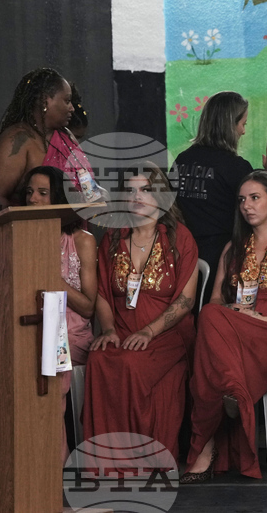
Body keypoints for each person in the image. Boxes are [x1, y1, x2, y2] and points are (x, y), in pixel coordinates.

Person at [181, 171, 267, 482]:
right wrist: (234, 312)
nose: (246, 206)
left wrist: (263, 320)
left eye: (255, 198)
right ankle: (232, 394)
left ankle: (206, 445)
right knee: (212, 317)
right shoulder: (233, 247)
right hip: (234, 331)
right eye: (242, 200)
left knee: (211, 334)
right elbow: (213, 302)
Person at [82, 162, 199, 461]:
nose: (137, 197)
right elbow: (103, 295)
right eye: (131, 191)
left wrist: (149, 331)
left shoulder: (180, 237)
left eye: (145, 190)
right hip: (121, 327)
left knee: (132, 364)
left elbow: (185, 301)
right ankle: (107, 462)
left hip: (167, 333)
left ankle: (141, 460)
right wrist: (108, 329)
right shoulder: (112, 238)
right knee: (99, 359)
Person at [173, 91, 267, 304]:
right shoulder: (235, 167)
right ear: (229, 125)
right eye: (243, 124)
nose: (243, 131)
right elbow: (265, 208)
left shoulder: (181, 160)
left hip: (181, 253)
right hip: (222, 260)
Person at [22, 166, 97, 462]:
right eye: (29, 192)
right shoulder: (21, 236)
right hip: (33, 327)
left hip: (71, 333)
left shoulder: (81, 240)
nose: (33, 200)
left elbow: (89, 306)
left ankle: (52, 465)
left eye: (42, 193)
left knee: (51, 361)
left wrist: (50, 276)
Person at [0, 68, 75, 206]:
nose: (72, 108)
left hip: (73, 226)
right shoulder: (16, 139)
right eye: (67, 100)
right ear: (46, 101)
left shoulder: (67, 136)